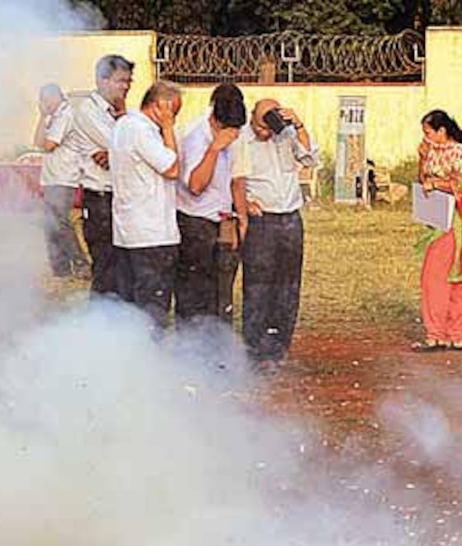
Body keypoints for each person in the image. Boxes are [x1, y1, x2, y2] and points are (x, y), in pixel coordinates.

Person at [234, 99, 318, 366]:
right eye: (261, 124)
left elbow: (310, 158)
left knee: (288, 286)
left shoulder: (286, 133)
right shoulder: (241, 140)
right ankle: (254, 349)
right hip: (262, 221)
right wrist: (244, 204)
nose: (266, 131)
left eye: (269, 125)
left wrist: (298, 125)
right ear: (252, 117)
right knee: (258, 287)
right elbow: (231, 178)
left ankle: (279, 349)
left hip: (290, 218)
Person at [109, 81, 183, 327]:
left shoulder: (123, 125)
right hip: (152, 236)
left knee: (131, 311)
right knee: (152, 311)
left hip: (129, 233)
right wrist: (169, 129)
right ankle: (151, 360)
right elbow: (172, 168)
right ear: (162, 106)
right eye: (174, 111)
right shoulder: (142, 130)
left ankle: (133, 359)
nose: (175, 118)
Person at [175, 83, 249, 324]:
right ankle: (192, 355)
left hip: (220, 222)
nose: (235, 135)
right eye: (230, 129)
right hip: (195, 225)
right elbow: (196, 185)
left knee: (220, 297)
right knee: (195, 298)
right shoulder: (195, 137)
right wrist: (214, 149)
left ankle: (218, 353)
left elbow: (233, 180)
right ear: (216, 120)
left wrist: (240, 217)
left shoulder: (230, 133)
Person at [413, 109, 462, 352]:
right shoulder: (433, 152)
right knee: (447, 277)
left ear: (442, 131)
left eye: (428, 132)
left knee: (441, 278)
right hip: (436, 219)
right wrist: (422, 159)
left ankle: (442, 334)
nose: (426, 137)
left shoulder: (459, 153)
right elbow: (423, 181)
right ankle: (448, 334)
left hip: (456, 222)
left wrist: (439, 184)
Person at [72, 55, 134, 295]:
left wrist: (116, 153)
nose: (125, 87)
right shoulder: (89, 111)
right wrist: (119, 151)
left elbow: (130, 148)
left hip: (118, 197)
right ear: (102, 80)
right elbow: (123, 144)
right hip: (99, 199)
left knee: (120, 267)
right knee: (106, 268)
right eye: (120, 80)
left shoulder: (117, 113)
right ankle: (99, 325)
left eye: (128, 81)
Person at [33, 84, 89, 278]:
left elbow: (48, 145)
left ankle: (81, 263)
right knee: (50, 223)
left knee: (62, 224)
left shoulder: (66, 115)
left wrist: (44, 119)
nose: (44, 104)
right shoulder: (53, 117)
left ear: (55, 97)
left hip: (64, 178)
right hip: (51, 177)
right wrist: (41, 117)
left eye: (45, 99)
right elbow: (37, 142)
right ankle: (61, 268)